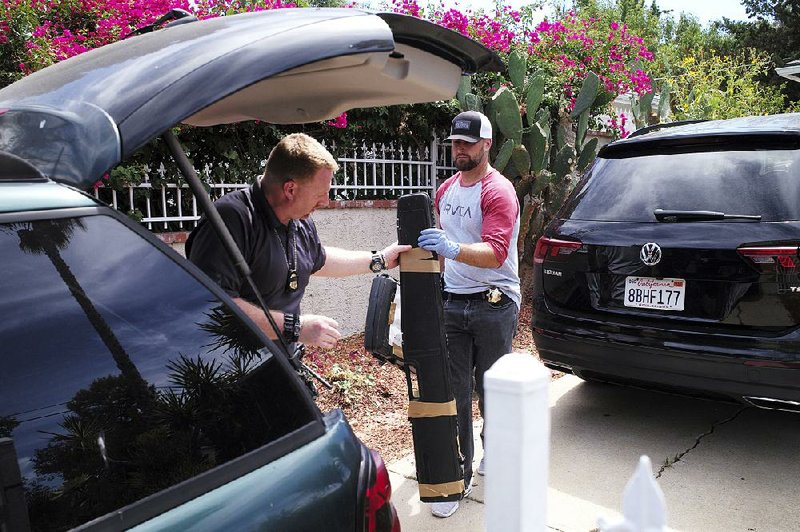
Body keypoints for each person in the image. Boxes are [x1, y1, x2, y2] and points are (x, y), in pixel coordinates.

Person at [187, 132, 409, 349]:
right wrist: (296, 327)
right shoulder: (231, 219)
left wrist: (379, 259)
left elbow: (317, 258)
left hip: (280, 365)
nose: (326, 202)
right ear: (290, 189)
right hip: (233, 371)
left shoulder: (299, 219)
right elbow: (211, 304)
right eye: (320, 194)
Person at [418, 111, 521, 519]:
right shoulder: (445, 190)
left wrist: (452, 248)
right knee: (454, 391)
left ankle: (494, 449)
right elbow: (443, 250)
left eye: (467, 143)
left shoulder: (499, 192)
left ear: (486, 145)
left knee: (490, 387)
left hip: (495, 301)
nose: (459, 150)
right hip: (454, 300)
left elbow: (495, 252)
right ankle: (455, 479)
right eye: (454, 143)